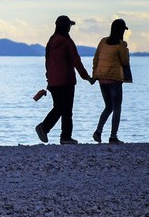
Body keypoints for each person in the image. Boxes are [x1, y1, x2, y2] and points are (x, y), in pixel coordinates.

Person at [36, 15, 94, 145]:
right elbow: (76, 61)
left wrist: (48, 78)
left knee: (60, 107)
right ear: (65, 27)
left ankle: (64, 136)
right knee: (65, 109)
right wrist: (86, 77)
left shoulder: (51, 42)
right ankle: (47, 129)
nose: (70, 28)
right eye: (69, 25)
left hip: (53, 81)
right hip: (66, 81)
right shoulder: (68, 42)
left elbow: (48, 62)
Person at [91, 19, 132, 144]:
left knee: (108, 107)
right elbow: (125, 62)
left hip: (102, 79)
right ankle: (113, 136)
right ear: (122, 31)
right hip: (114, 80)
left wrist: (94, 75)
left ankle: (98, 131)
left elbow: (96, 59)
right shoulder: (121, 45)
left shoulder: (103, 41)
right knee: (117, 108)